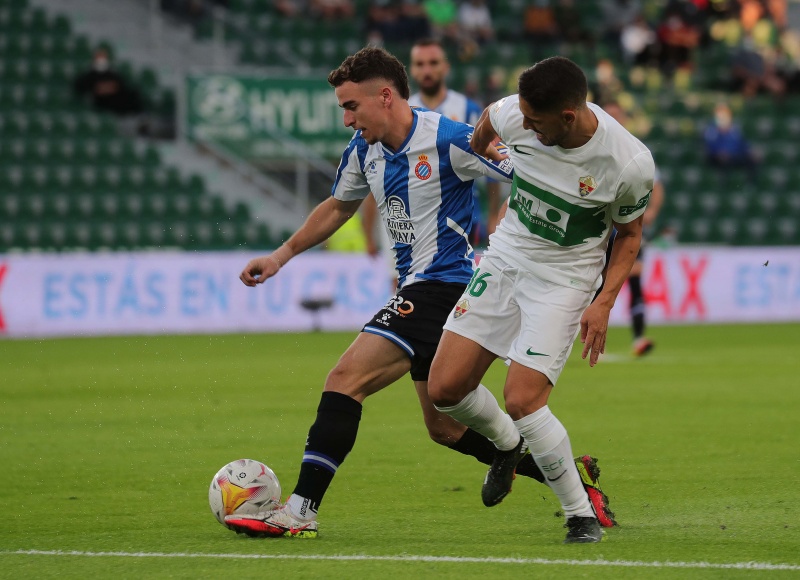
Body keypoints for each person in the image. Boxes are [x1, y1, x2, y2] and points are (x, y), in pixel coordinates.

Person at [225, 47, 565, 539]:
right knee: (443, 428)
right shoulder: (363, 150)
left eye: (351, 106)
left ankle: (300, 510)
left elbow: (526, 177)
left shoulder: (450, 138)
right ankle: (566, 477)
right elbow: (339, 206)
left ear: (385, 96)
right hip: (417, 289)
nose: (347, 119)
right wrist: (281, 256)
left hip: (443, 286)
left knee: (345, 379)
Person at [428, 56, 654, 544]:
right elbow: (491, 117)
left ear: (568, 116)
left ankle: (579, 514)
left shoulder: (627, 163)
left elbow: (630, 234)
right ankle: (508, 446)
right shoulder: (518, 113)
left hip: (564, 280)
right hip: (506, 258)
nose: (525, 126)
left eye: (535, 122)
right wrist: (480, 145)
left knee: (523, 399)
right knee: (444, 389)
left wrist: (603, 302)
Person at [361, 38, 501, 289]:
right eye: (420, 64)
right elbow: (378, 171)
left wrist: (492, 215)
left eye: (433, 63)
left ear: (446, 67)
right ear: (411, 70)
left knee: (458, 289)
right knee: (403, 287)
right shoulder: (398, 111)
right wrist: (368, 231)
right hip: (408, 217)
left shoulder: (468, 109)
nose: (427, 70)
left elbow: (491, 163)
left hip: (458, 217)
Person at [602, 101, 665, 356]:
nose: (614, 119)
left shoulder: (636, 149)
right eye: (610, 115)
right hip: (603, 226)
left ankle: (639, 338)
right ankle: (590, 338)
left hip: (628, 224)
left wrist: (651, 212)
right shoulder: (594, 148)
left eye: (618, 115)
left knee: (635, 277)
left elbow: (656, 186)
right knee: (598, 282)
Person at [73, 46, 143, 117]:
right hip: (101, 102)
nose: (101, 60)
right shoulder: (89, 75)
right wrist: (100, 89)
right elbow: (81, 87)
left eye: (103, 57)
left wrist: (111, 88)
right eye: (99, 57)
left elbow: (120, 85)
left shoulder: (112, 74)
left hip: (116, 99)